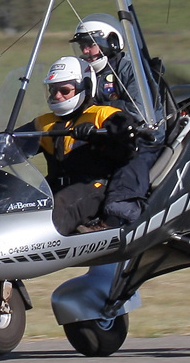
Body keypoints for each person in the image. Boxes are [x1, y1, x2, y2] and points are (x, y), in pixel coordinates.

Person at [0, 56, 140, 235]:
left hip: (93, 188)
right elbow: (9, 145)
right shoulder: (45, 122)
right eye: (53, 90)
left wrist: (100, 134)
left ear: (85, 87)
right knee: (9, 208)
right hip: (54, 188)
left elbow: (126, 131)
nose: (58, 96)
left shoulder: (102, 114)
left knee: (53, 214)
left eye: (64, 90)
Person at [70, 14, 166, 226]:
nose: (85, 51)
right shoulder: (91, 74)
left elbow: (140, 113)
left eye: (90, 45)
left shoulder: (131, 69)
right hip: (108, 139)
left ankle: (125, 221)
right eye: (83, 46)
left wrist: (100, 112)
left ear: (112, 42)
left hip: (142, 140)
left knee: (123, 186)